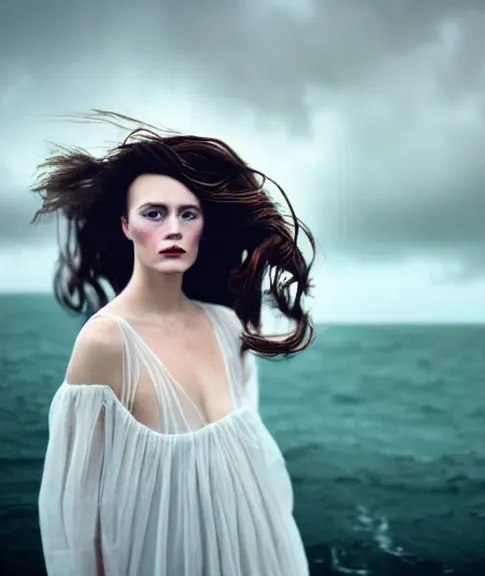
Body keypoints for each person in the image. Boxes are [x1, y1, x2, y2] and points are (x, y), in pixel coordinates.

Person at [32, 111, 316, 576]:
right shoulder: (106, 342)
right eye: (154, 213)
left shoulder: (228, 328)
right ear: (126, 226)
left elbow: (251, 473)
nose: (173, 229)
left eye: (188, 214)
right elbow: (80, 522)